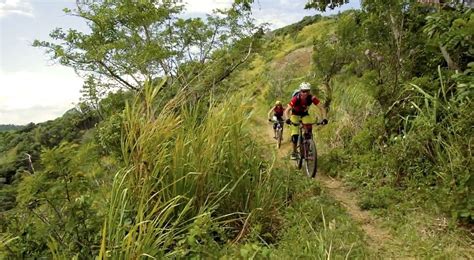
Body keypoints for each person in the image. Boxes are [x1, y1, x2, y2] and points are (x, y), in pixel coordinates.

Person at [284, 82, 328, 159]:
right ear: (300, 91)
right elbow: (286, 110)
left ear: (309, 91)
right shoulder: (296, 98)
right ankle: (294, 152)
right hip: (295, 115)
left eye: (307, 91)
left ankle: (308, 150)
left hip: (305, 114)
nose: (305, 93)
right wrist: (287, 119)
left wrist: (324, 118)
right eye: (303, 91)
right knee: (295, 135)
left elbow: (321, 108)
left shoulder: (312, 98)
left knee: (309, 131)